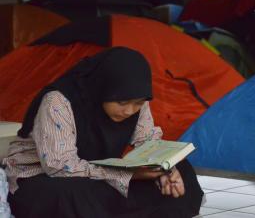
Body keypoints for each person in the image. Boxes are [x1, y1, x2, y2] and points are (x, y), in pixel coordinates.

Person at [2, 47, 204, 218]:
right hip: (44, 178)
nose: (129, 111)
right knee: (73, 195)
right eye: (122, 103)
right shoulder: (58, 101)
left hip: (96, 175)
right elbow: (59, 167)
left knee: (182, 170)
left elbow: (148, 141)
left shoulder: (137, 102)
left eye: (138, 104)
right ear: (102, 88)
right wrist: (129, 175)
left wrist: (164, 169)